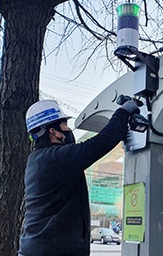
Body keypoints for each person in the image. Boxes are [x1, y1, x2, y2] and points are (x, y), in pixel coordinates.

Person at [18, 99, 139, 256]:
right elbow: (102, 142)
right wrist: (124, 112)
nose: (69, 130)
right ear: (53, 131)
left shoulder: (38, 159)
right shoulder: (55, 158)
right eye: (65, 126)